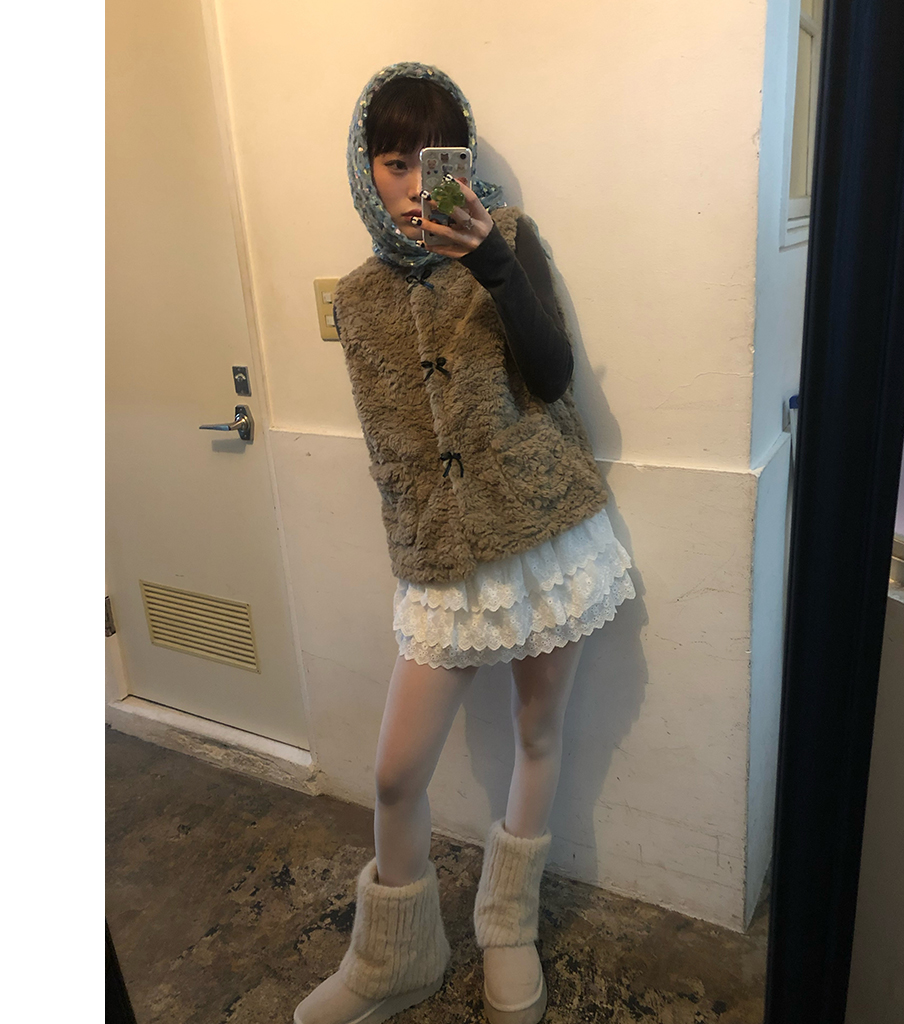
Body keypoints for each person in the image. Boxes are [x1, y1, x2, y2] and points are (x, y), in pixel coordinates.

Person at [293, 62, 636, 1024]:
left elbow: (553, 375)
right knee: (395, 773)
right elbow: (391, 445)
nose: (415, 186)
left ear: (465, 165)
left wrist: (490, 261)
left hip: (545, 531)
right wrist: (413, 548)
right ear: (366, 171)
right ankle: (395, 957)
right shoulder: (359, 298)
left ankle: (507, 924)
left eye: (434, 162)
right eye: (394, 163)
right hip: (441, 562)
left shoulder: (510, 239)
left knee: (538, 733)